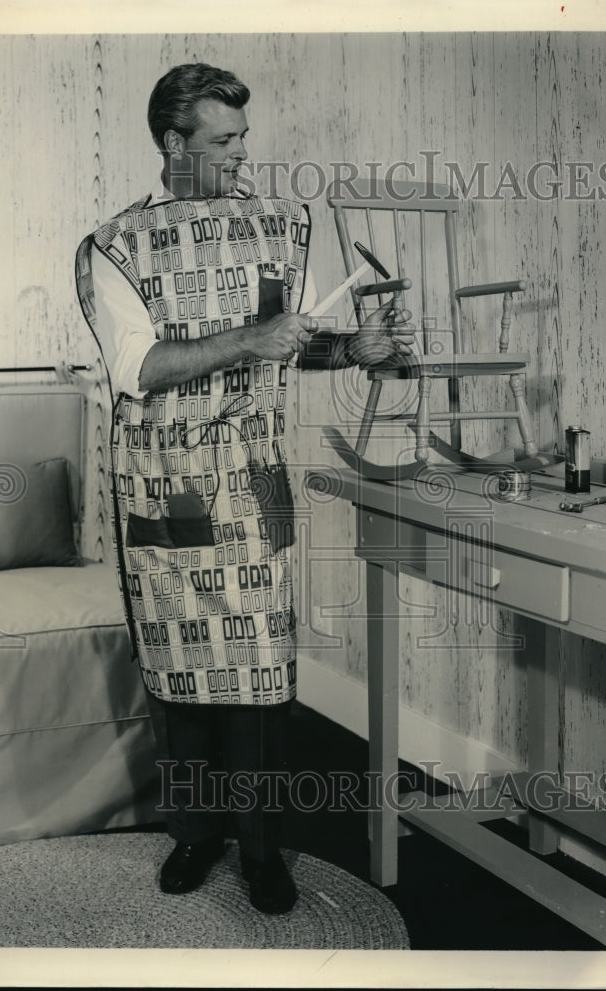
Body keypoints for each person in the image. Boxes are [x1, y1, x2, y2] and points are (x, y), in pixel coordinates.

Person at [75, 62, 414, 915]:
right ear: (172, 142)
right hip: (160, 482)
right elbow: (138, 367)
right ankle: (194, 835)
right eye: (222, 140)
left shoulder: (281, 227)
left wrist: (355, 352)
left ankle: (263, 850)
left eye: (242, 137)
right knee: (179, 669)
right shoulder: (113, 248)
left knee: (260, 673)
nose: (240, 154)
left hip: (253, 477)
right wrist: (251, 338)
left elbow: (294, 343)